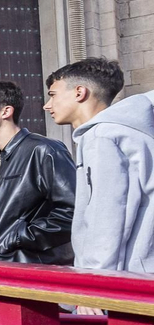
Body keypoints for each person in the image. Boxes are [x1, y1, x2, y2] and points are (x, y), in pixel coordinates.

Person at [44, 57, 154, 273]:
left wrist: (95, 278)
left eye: (53, 95)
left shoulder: (101, 136)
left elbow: (107, 215)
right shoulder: (131, 131)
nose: (47, 105)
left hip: (127, 276)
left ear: (79, 92)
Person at [0, 81, 74, 264]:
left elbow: (72, 212)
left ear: (6, 111)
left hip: (23, 272)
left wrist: (18, 238)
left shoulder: (44, 150)